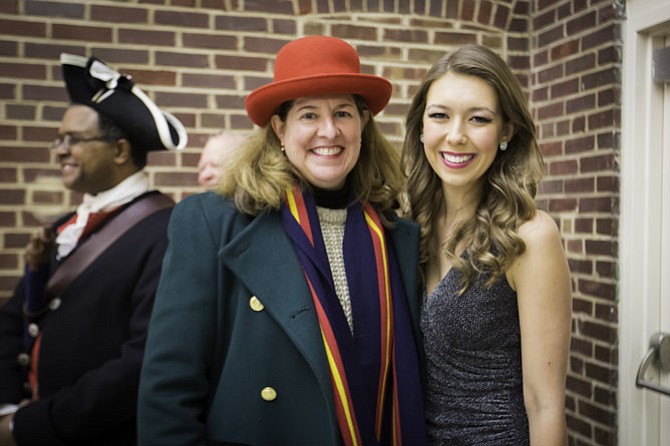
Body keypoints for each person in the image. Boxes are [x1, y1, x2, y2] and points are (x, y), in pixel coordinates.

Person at [138, 35, 427, 446]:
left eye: (343, 112)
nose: (329, 131)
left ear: (363, 123)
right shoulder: (211, 221)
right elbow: (167, 394)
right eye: (308, 115)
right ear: (279, 127)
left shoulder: (398, 238)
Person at [0, 53, 187, 446]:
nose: (60, 151)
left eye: (74, 140)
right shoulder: (63, 227)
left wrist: (30, 426)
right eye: (59, 140)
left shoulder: (169, 230)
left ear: (120, 151)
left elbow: (141, 361)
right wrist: (6, 407)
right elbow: (14, 321)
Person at [400, 44, 572, 445]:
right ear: (422, 126)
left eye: (478, 119)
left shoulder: (529, 236)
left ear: (507, 131)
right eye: (440, 115)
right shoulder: (409, 225)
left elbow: (544, 404)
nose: (456, 136)